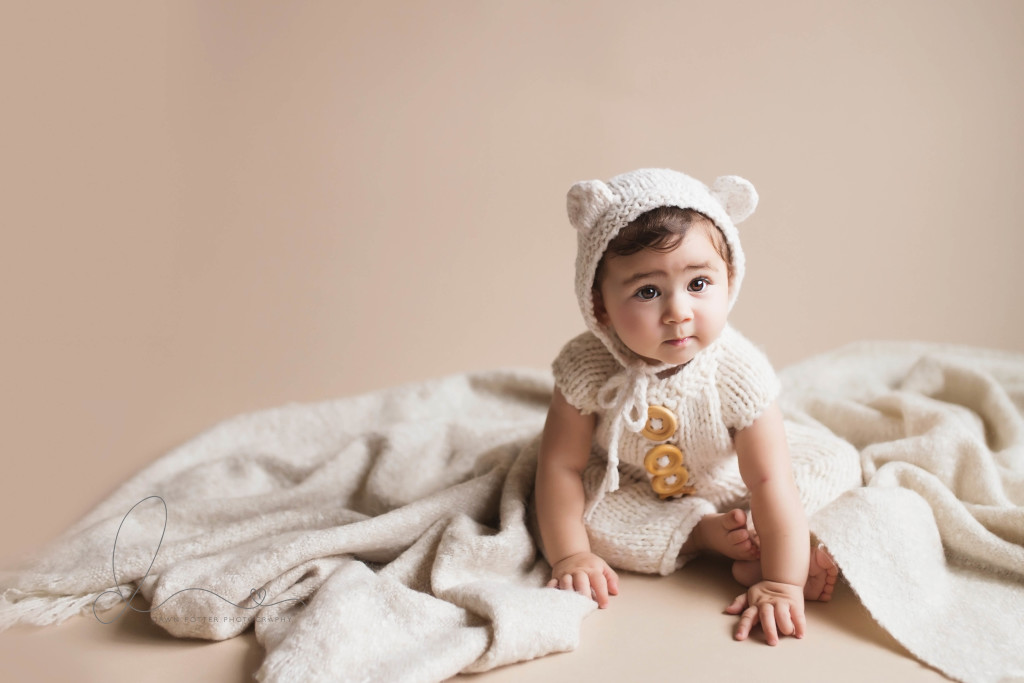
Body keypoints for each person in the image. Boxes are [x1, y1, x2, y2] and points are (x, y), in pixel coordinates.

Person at [533, 168, 861, 645]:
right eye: (647, 292)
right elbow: (560, 465)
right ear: (599, 305)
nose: (678, 311)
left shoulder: (738, 371)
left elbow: (769, 478)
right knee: (580, 521)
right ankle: (704, 535)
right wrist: (571, 557)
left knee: (833, 462)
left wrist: (781, 584)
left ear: (729, 280)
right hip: (631, 482)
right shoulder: (585, 368)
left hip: (731, 479)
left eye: (699, 284)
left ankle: (771, 549)